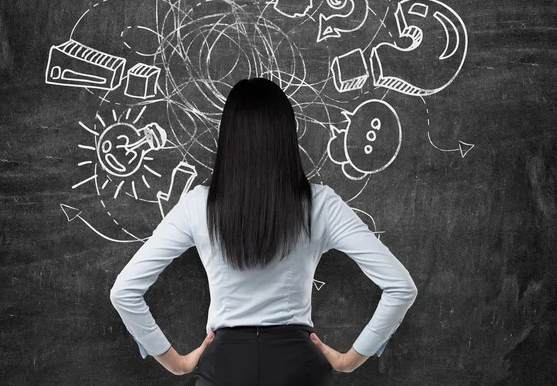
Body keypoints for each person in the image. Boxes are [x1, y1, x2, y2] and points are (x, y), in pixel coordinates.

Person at [110, 77, 417, 385]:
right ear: (286, 135)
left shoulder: (198, 205)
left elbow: (124, 291)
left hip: (224, 367)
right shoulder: (321, 204)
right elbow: (401, 287)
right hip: (299, 366)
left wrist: (174, 362)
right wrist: (351, 359)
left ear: (228, 136)